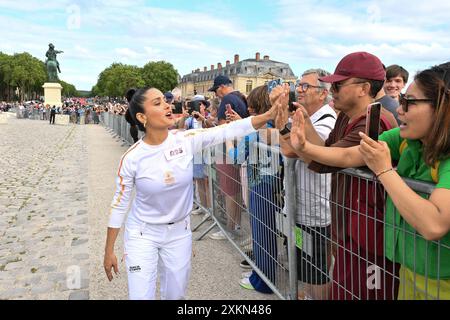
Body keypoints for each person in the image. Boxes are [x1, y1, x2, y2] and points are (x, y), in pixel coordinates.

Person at [287, 62, 450, 300]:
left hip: (440, 280)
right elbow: (347, 154)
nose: (400, 109)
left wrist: (384, 171)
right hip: (409, 267)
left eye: (409, 102)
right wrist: (303, 146)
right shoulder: (406, 138)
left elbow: (434, 225)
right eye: (402, 100)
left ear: (442, 108)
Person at [103, 87, 279, 300]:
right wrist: (109, 250)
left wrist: (269, 115)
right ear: (142, 117)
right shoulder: (132, 158)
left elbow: (227, 131)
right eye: (157, 103)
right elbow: (119, 203)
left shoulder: (185, 140)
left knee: (175, 295)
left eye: (165, 101)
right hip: (143, 234)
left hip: (178, 234)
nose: (168, 106)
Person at [276, 52, 400, 300]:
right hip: (350, 230)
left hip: (370, 238)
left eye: (339, 84)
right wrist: (300, 125)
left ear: (364, 88)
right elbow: (325, 152)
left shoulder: (374, 121)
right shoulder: (346, 115)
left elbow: (334, 159)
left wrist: (298, 144)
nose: (333, 89)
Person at [275, 68, 337, 299]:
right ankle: (307, 295)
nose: (299, 91)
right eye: (298, 86)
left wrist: (281, 125)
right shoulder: (305, 116)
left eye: (305, 87)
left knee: (317, 270)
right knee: (305, 265)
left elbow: (290, 151)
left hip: (316, 210)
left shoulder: (327, 120)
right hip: (300, 207)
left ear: (323, 94)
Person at [208, 75, 250, 240]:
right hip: (238, 149)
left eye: (216, 91)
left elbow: (222, 128)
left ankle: (231, 228)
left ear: (221, 87)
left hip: (229, 150)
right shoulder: (240, 98)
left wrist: (211, 126)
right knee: (235, 190)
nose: (216, 95)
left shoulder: (227, 99)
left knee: (230, 190)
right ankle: (234, 224)